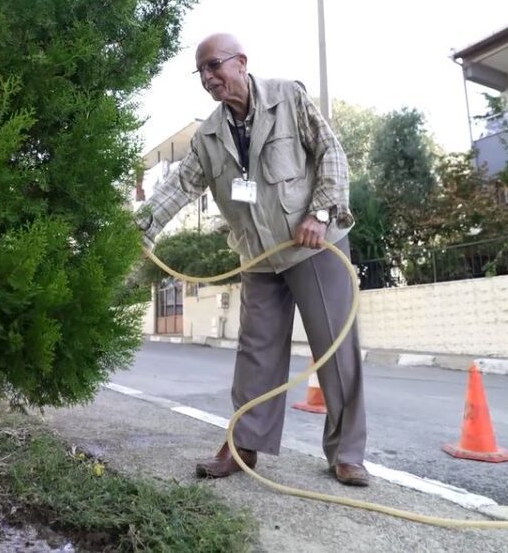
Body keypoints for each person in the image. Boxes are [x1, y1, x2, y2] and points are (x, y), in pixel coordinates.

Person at [135, 33, 369, 486]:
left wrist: (321, 212)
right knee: (255, 352)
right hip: (259, 256)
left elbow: (332, 155)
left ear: (241, 62)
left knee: (335, 350)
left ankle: (346, 453)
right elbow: (180, 187)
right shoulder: (207, 136)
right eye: (201, 71)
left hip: (314, 244)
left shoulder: (289, 97)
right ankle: (243, 445)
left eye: (214, 65)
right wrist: (140, 229)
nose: (208, 77)